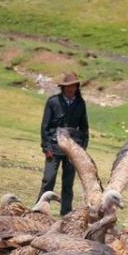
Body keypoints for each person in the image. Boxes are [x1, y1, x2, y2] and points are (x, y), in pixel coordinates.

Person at [38, 72, 89, 215]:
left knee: (68, 183)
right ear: (63, 88)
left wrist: (81, 150)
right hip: (53, 147)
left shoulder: (80, 104)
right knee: (49, 179)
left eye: (73, 86)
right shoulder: (53, 102)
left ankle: (66, 213)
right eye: (67, 86)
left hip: (72, 149)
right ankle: (39, 210)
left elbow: (84, 128)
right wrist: (46, 147)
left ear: (76, 87)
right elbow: (45, 127)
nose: (70, 89)